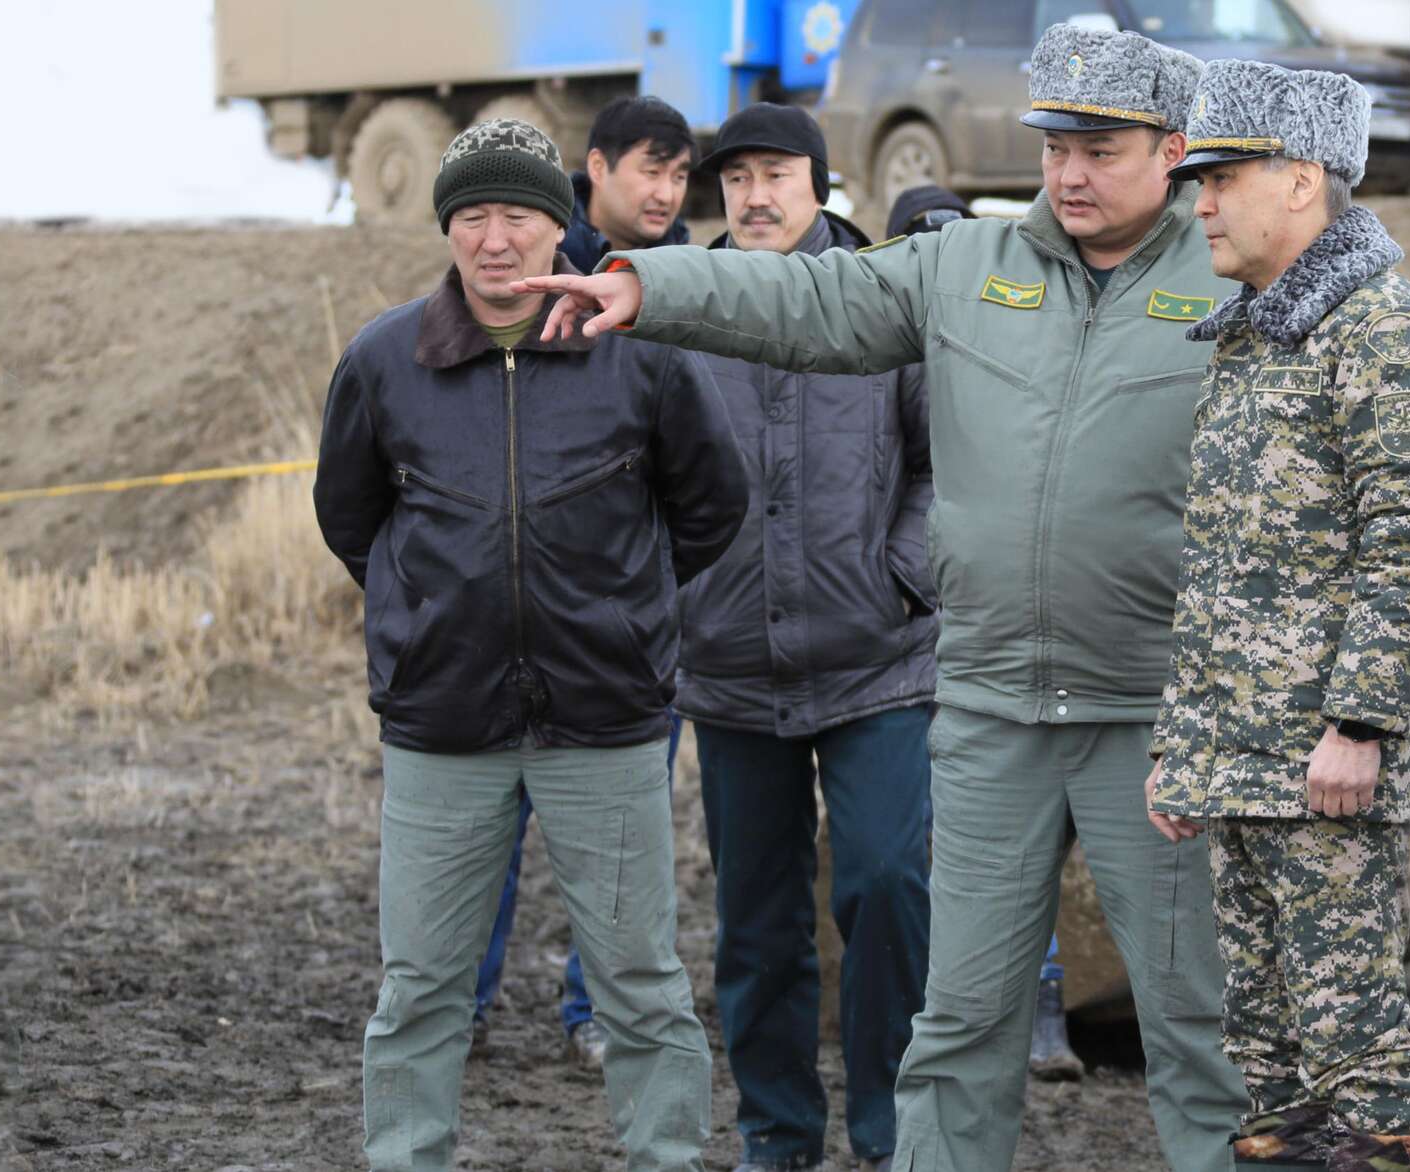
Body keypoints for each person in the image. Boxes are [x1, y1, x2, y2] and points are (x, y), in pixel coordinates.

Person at [519, 25, 1250, 1172]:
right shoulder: (968, 266)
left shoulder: (1231, 283)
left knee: (1193, 1020)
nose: (1067, 173)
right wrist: (644, 282)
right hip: (990, 707)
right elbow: (811, 304)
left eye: (1099, 149)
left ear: (1170, 151)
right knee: (957, 1024)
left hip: (1151, 716)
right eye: (1054, 144)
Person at [313, 117, 747, 1171]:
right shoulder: (383, 359)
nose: (493, 239)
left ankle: (667, 1156)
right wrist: (427, 619)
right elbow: (350, 518)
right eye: (470, 217)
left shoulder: (634, 351)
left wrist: (620, 610)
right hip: (441, 725)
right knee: (418, 985)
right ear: (446, 229)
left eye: (515, 215)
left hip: (602, 719)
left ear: (559, 227)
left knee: (640, 983)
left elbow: (711, 504)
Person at [1146, 59, 1410, 1172]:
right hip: (1240, 761)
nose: (1196, 202)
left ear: (1299, 182)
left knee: (1360, 1069)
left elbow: (1409, 548)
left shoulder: (1386, 332)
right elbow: (1228, 562)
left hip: (1324, 766)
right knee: (1267, 1072)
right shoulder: (1252, 333)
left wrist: (1361, 725)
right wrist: (1184, 745)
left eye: (1219, 178)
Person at [677, 102, 936, 1172]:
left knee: (884, 881)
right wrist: (677, 597)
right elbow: (639, 475)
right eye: (734, 177)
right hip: (730, 663)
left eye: (775, 173)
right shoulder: (675, 310)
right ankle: (776, 1134)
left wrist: (902, 570)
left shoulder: (885, 295)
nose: (753, 194)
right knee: (754, 920)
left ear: (818, 185)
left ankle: (884, 1127)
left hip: (877, 655)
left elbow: (941, 459)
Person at [474, 92, 699, 1071]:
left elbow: (708, 479)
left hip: (626, 617)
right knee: (483, 822)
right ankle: (456, 1001)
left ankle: (595, 1009)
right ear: (596, 168)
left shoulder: (689, 281)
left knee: (620, 835)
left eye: (680, 172)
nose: (665, 190)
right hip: (503, 605)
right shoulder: (511, 253)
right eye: (648, 167)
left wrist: (655, 587)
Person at [884, 184, 1081, 1087]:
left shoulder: (1019, 332)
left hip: (1015, 640)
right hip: (914, 638)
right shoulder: (885, 341)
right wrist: (903, 574)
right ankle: (967, 1012)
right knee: (960, 853)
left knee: (1040, 839)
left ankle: (1042, 1007)